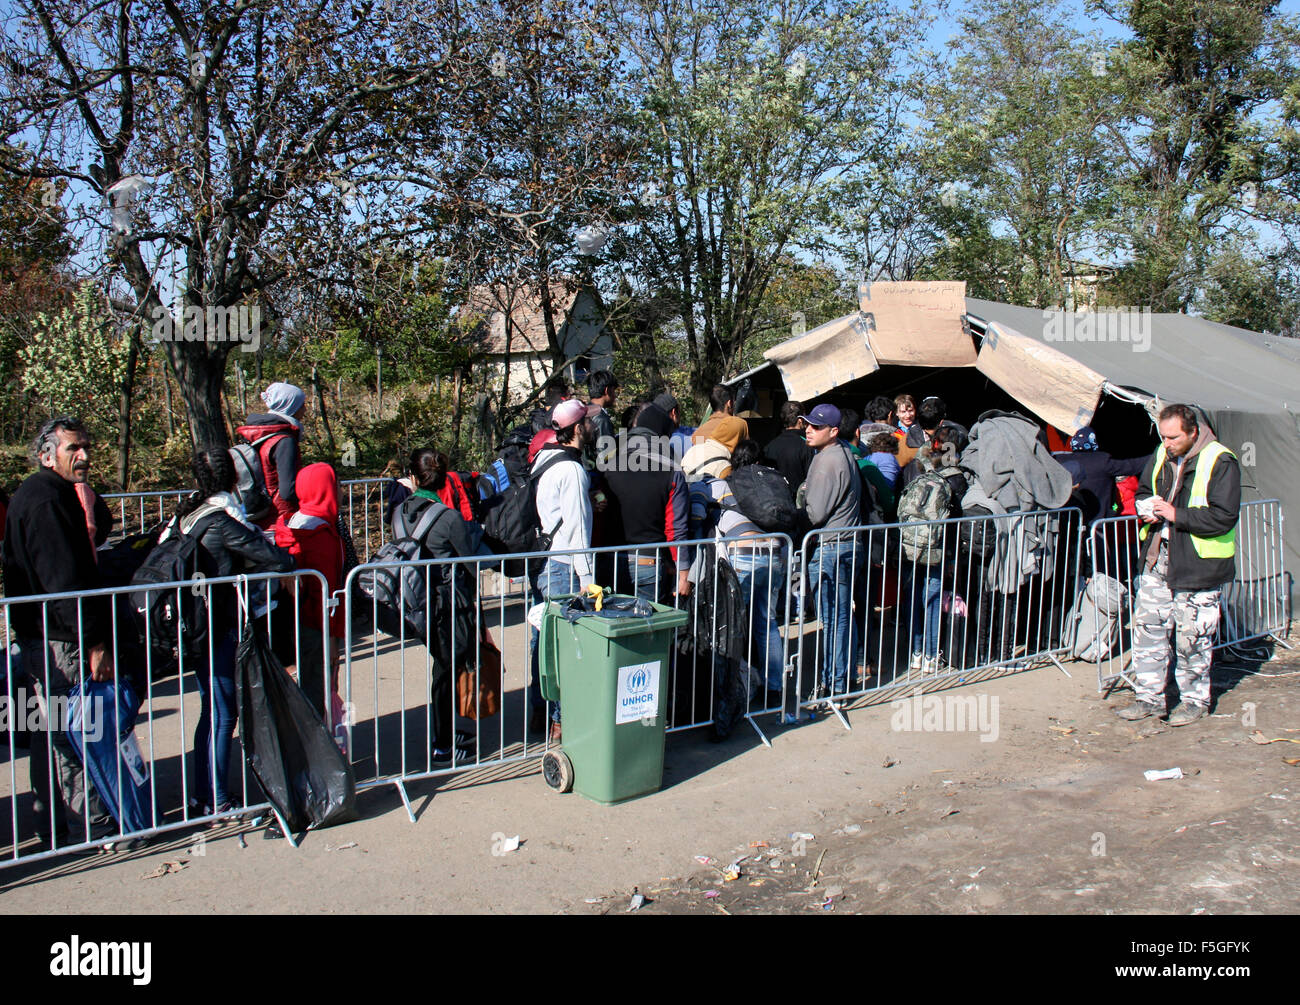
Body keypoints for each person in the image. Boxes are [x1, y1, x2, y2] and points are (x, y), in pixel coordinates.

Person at [2, 417, 116, 847]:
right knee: (72, 734)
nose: (84, 456)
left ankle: (54, 825)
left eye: (87, 446)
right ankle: (99, 824)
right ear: (47, 454)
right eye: (74, 449)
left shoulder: (51, 493)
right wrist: (95, 642)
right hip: (59, 637)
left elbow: (98, 529)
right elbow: (64, 582)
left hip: (48, 634)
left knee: (51, 732)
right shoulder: (44, 501)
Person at [168, 448, 295, 816]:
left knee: (212, 711)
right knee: (222, 714)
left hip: (194, 624)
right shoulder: (222, 520)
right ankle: (216, 800)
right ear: (234, 478)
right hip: (217, 626)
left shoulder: (186, 516)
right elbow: (272, 556)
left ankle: (203, 794)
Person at [1115, 405, 1241, 726]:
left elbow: (1224, 516)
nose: (1166, 442)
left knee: (1193, 637)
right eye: (1163, 436)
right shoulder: (1160, 453)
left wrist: (1176, 515)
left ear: (1193, 431)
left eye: (1173, 437)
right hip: (1159, 560)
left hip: (1198, 566)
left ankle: (1194, 701)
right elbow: (1145, 489)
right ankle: (1148, 698)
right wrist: (1146, 505)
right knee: (1147, 631)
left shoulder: (1220, 460)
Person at [392, 449, 484, 765]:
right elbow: (469, 562)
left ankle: (448, 735)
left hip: (413, 602)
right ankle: (444, 743)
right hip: (449, 604)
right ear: (445, 479)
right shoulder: (449, 518)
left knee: (443, 669)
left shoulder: (399, 513)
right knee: (448, 670)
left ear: (414, 477)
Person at [529, 399, 596, 741]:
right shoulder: (571, 470)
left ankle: (544, 713)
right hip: (565, 566)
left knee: (544, 641)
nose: (592, 426)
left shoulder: (545, 458)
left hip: (547, 561)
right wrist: (588, 581)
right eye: (588, 421)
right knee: (565, 648)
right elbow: (578, 528)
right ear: (577, 428)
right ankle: (562, 723)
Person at [274, 462, 347, 723]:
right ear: (325, 489)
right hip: (316, 626)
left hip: (298, 622)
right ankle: (319, 756)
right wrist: (330, 637)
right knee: (316, 690)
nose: (341, 491)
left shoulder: (295, 524)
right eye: (337, 485)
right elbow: (322, 592)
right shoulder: (320, 535)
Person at [800, 404, 864, 701]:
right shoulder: (845, 454)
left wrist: (800, 499)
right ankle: (842, 677)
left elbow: (815, 512)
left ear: (834, 431)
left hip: (832, 548)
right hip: (845, 545)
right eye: (808, 424)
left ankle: (835, 684)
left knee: (834, 618)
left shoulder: (828, 460)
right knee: (841, 616)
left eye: (816, 426)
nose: (809, 430)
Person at [604, 402, 692, 604]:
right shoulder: (672, 472)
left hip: (610, 562)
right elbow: (675, 530)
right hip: (649, 563)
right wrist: (683, 573)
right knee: (649, 632)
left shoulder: (607, 468)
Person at [235, 382, 306, 528]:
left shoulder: (258, 434)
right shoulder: (285, 440)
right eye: (301, 405)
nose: (304, 409)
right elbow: (288, 491)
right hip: (281, 519)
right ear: (292, 406)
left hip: (258, 514)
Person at [1054, 425, 1149, 528]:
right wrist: (1156, 455)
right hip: (1097, 522)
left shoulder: (1059, 460)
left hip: (1065, 522)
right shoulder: (1102, 461)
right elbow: (1132, 466)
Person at [764, 400, 813, 497]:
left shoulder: (770, 446)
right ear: (800, 421)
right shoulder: (807, 446)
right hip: (798, 504)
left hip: (776, 501)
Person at [691, 384, 749, 453]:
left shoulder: (698, 433)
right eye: (734, 403)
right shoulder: (739, 424)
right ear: (729, 403)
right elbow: (747, 454)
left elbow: (699, 456)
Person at [586, 370, 619, 445]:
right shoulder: (602, 419)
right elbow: (606, 453)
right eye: (614, 391)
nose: (615, 396)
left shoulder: (585, 411)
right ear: (607, 390)